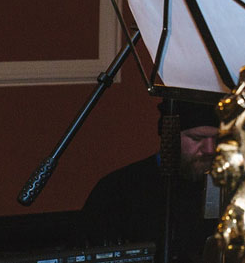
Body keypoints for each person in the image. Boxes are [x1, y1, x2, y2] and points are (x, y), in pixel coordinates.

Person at [81, 101, 219, 262]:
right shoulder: (118, 189)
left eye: (217, 138)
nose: (210, 149)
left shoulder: (226, 187)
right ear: (170, 137)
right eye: (197, 138)